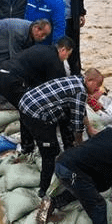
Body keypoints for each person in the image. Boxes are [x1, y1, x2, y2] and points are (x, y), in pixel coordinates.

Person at [19, 69, 105, 198]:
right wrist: (80, 144)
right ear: (89, 80)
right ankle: (43, 190)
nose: (98, 89)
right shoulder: (80, 91)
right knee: (51, 152)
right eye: (97, 85)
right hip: (34, 112)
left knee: (66, 115)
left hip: (26, 101)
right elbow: (77, 124)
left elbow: (79, 109)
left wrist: (90, 128)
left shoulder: (77, 80)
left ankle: (64, 146)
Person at [0, 37, 73, 154]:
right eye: (68, 55)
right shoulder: (54, 60)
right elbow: (57, 91)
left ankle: (28, 145)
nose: (66, 58)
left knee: (26, 109)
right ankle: (29, 146)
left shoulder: (43, 49)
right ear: (63, 50)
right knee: (28, 110)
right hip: (12, 80)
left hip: (1, 75)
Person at [0, 18, 52, 82]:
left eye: (46, 36)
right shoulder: (19, 33)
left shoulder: (30, 29)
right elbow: (15, 57)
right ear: (36, 28)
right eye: (43, 34)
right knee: (4, 66)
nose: (43, 38)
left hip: (1, 38)